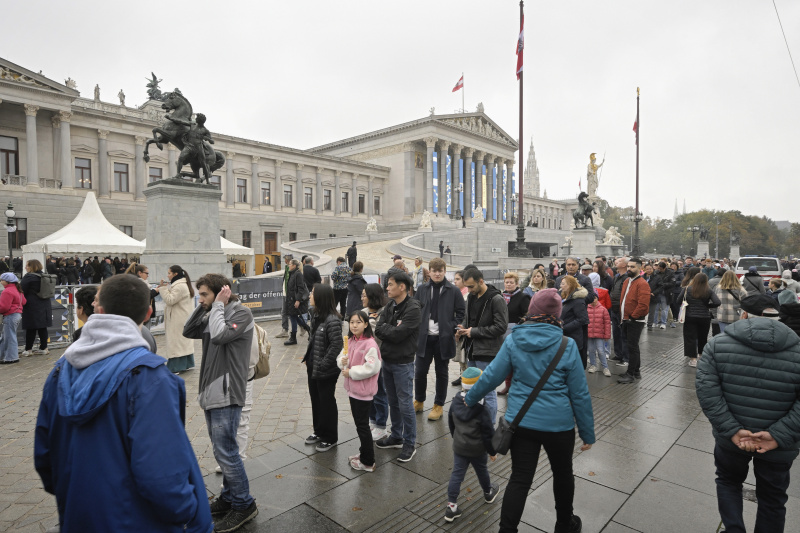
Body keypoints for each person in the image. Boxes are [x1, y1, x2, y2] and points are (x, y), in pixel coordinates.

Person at [34, 274, 212, 533]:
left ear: (100, 311)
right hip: (139, 521)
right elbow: (161, 474)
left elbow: (45, 456)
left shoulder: (60, 370)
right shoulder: (150, 378)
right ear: (149, 312)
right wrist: (188, 513)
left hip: (79, 514)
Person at [464, 288, 595, 533]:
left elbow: (492, 375)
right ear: (557, 315)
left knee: (520, 478)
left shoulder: (514, 339)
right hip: (559, 426)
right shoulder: (566, 345)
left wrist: (470, 398)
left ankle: (507, 529)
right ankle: (565, 524)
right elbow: (579, 393)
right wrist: (587, 433)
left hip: (521, 423)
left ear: (531, 310)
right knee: (563, 473)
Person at [696, 294, 800, 533]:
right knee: (773, 498)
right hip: (780, 445)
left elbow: (707, 392)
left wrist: (731, 430)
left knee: (728, 482)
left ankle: (733, 529)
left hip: (732, 439)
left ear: (743, 315)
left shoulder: (717, 344)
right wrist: (777, 435)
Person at [183, 273, 258, 532]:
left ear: (221, 292)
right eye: (199, 294)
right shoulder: (212, 312)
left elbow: (218, 335)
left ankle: (243, 504)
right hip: (212, 391)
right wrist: (205, 306)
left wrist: (216, 307)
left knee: (227, 452)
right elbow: (188, 330)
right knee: (221, 451)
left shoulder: (241, 314)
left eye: (204, 294)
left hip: (227, 392)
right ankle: (228, 498)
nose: (200, 298)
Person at [374, 272, 422, 462]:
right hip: (387, 360)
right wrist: (390, 329)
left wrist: (389, 330)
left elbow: (398, 335)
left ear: (402, 287)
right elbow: (378, 328)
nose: (387, 288)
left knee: (405, 403)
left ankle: (410, 443)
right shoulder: (389, 306)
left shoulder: (413, 308)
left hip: (403, 363)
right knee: (392, 401)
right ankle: (396, 436)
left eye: (391, 284)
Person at [444, 367, 499, 523]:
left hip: (460, 447)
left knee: (457, 475)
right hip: (477, 449)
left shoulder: (455, 402)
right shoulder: (482, 409)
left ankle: (451, 507)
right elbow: (488, 434)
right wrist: (492, 451)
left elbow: (451, 422)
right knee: (482, 470)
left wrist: (456, 438)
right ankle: (488, 492)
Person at [413, 257, 465, 421]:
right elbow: (414, 308)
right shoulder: (421, 289)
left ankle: (438, 405)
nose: (437, 274)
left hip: (443, 338)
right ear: (430, 272)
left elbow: (461, 313)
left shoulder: (453, 290)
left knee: (442, 373)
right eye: (434, 271)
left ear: (444, 271)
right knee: (420, 372)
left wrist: (451, 326)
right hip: (424, 337)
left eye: (440, 271)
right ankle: (419, 400)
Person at [457, 268, 508, 424]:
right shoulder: (471, 296)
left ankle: (489, 427)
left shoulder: (496, 299)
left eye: (471, 286)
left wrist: (474, 332)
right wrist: (462, 329)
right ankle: (476, 423)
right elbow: (468, 319)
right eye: (467, 287)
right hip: (472, 349)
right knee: (471, 389)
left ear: (481, 281)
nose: (469, 290)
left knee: (488, 391)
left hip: (488, 351)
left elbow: (501, 327)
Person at [337, 310, 381, 471]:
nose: (354, 325)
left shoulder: (370, 344)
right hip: (352, 390)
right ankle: (363, 453)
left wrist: (351, 372)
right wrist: (342, 362)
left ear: (366, 324)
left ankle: (368, 461)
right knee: (360, 424)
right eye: (352, 322)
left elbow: (372, 367)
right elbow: (342, 358)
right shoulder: (351, 340)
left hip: (363, 392)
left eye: (358, 322)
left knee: (362, 426)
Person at [302, 284, 343, 452]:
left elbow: (336, 345)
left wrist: (323, 363)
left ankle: (330, 437)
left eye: (312, 293)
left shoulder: (333, 320)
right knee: (316, 400)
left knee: (327, 401)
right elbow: (313, 340)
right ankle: (318, 430)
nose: (310, 296)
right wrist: (308, 358)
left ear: (321, 297)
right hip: (314, 366)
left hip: (326, 369)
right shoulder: (317, 315)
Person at [360, 283, 390, 441]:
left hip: (379, 358)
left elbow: (379, 335)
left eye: (364, 295)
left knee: (379, 393)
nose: (362, 298)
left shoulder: (384, 313)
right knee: (368, 391)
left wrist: (370, 324)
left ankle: (381, 426)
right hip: (364, 359)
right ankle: (372, 420)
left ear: (372, 297)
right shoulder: (363, 313)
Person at [617, 257, 651, 384]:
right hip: (626, 319)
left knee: (632, 347)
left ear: (640, 268)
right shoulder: (627, 281)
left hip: (634, 321)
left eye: (633, 267)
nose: (629, 269)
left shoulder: (642, 283)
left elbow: (643, 305)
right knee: (632, 346)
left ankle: (630, 374)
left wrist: (633, 317)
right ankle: (636, 371)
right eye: (628, 266)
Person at [157, 265, 196, 373]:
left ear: (175, 274)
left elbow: (170, 300)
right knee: (183, 342)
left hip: (177, 319)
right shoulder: (183, 284)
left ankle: (175, 367)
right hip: (181, 317)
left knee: (176, 343)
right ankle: (187, 363)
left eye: (169, 273)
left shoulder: (179, 286)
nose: (167, 275)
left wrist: (162, 288)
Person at [678, 272, 720, 368]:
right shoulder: (708, 290)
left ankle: (693, 360)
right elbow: (717, 302)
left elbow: (678, 300)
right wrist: (708, 306)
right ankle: (701, 355)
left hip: (690, 316)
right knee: (703, 337)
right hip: (704, 317)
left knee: (690, 338)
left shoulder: (687, 289)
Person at [20, 259, 52, 357]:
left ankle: (28, 349)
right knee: (42, 327)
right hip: (45, 303)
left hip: (32, 304)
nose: (25, 267)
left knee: (30, 327)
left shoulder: (29, 277)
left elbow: (21, 289)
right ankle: (44, 348)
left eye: (27, 266)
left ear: (32, 267)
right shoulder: (44, 275)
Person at [560, 276, 590, 369]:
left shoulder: (578, 301)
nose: (560, 286)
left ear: (570, 285)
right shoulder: (567, 298)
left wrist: (564, 327)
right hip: (567, 336)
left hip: (574, 338)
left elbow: (582, 319)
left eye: (563, 284)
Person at [284, 259, 310, 345]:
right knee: (294, 317)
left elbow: (300, 288)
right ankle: (308, 329)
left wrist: (298, 300)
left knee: (293, 317)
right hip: (291, 300)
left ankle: (293, 337)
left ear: (294, 266)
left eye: (290, 264)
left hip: (294, 300)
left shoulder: (298, 274)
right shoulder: (292, 274)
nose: (289, 265)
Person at [0, 273, 25, 364]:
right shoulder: (18, 289)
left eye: (2, 280)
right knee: (6, 337)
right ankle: (2, 356)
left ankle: (12, 357)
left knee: (9, 337)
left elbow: (4, 307)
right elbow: (24, 301)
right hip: (17, 314)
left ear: (7, 281)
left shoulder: (7, 291)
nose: (1, 282)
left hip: (10, 315)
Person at [587, 292, 611, 376]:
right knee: (591, 350)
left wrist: (607, 335)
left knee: (601, 351)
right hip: (589, 334)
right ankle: (593, 365)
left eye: (595, 298)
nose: (593, 300)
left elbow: (607, 323)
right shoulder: (586, 308)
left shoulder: (603, 309)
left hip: (599, 335)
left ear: (597, 298)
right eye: (592, 298)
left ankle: (605, 367)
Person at [275, 254, 293, 339]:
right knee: (285, 312)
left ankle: (285, 330)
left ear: (287, 260)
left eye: (285, 259)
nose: (284, 261)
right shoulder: (287, 267)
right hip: (285, 293)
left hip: (288, 294)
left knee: (286, 312)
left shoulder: (291, 269)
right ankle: (285, 329)